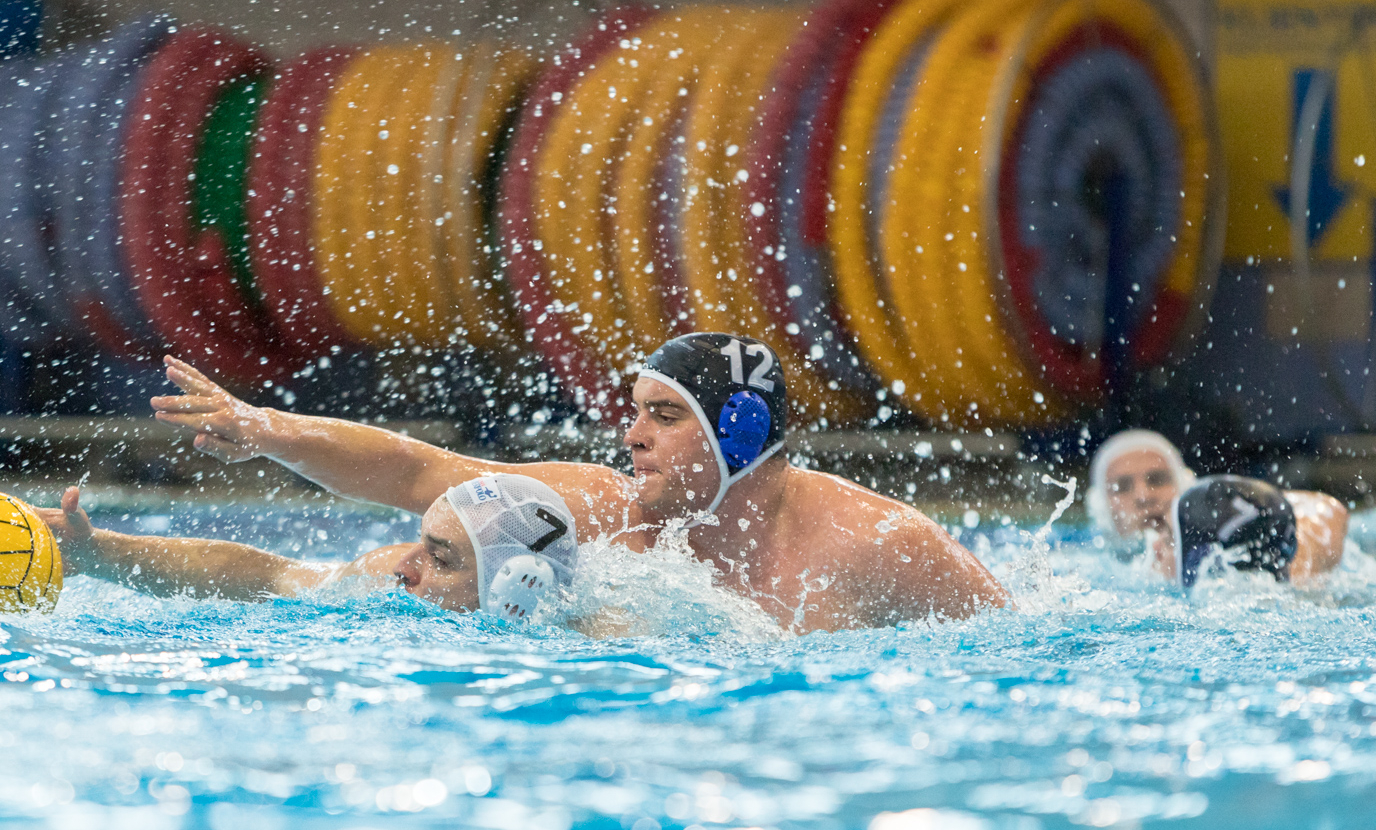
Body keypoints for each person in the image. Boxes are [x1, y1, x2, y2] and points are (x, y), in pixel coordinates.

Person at [144, 332, 1011, 632]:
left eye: (664, 416)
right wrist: (266, 428)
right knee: (327, 581)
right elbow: (419, 471)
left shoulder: (879, 544)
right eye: (635, 412)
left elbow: (1020, 644)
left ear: (740, 433)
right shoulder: (601, 506)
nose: (631, 435)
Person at [36, 472, 579, 621]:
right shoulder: (381, 576)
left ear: (517, 588)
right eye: (420, 542)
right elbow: (269, 577)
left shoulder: (590, 642)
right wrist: (102, 553)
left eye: (439, 558)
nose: (403, 564)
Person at [1087, 429, 1348, 585]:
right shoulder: (1089, 564)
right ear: (1101, 505)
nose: (1143, 497)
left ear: (1185, 488)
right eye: (1122, 487)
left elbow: (1326, 508)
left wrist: (1292, 565)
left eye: (1157, 480)